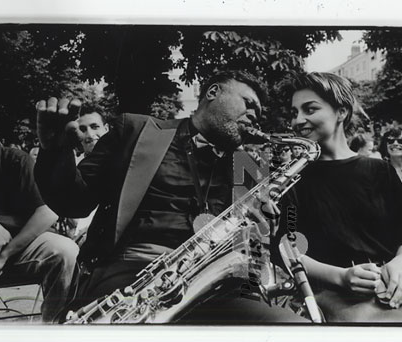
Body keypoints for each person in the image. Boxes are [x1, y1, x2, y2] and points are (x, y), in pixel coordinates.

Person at [34, 70, 308, 323]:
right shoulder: (136, 129)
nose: (254, 115)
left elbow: (252, 262)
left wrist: (261, 233)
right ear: (213, 93)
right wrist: (54, 151)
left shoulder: (248, 165)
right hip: (128, 282)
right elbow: (74, 202)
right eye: (248, 103)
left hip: (213, 286)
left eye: (258, 113)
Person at [275, 72, 402, 323]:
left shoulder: (381, 171)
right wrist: (341, 276)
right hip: (332, 302)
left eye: (309, 109)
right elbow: (287, 247)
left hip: (395, 292)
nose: (298, 120)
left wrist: (399, 267)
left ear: (341, 112)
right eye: (294, 113)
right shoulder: (293, 179)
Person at [0, 145, 79, 323]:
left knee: (66, 250)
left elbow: (48, 213)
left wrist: (4, 256)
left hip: (15, 247)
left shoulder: (14, 159)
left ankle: (53, 329)